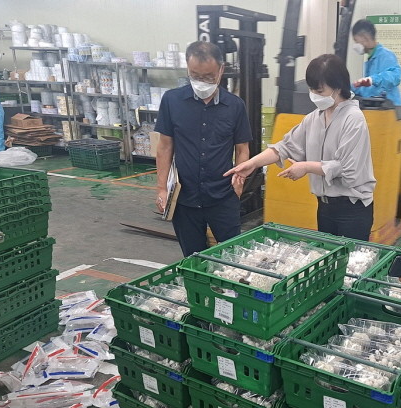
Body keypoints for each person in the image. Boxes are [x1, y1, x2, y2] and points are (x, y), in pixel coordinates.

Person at [225, 54, 376, 241]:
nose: (314, 95)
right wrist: (252, 164)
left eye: (319, 91)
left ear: (338, 88)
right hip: (325, 207)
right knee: (329, 256)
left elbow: (348, 169)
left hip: (352, 210)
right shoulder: (314, 118)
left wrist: (305, 167)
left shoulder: (353, 119)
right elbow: (285, 147)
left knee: (352, 259)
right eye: (311, 89)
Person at [155, 41, 252, 256]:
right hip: (184, 199)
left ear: (221, 70)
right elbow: (164, 147)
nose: (201, 82)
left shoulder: (235, 106)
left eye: (208, 77)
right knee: (193, 257)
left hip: (223, 197)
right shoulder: (172, 101)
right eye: (195, 75)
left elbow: (242, 148)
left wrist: (239, 184)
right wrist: (162, 188)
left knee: (233, 256)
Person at [350, 19, 401, 106]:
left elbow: (394, 76)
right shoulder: (371, 60)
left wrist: (372, 80)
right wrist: (351, 88)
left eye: (356, 41)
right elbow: (368, 91)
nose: (355, 45)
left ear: (365, 38)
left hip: (389, 110)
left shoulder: (385, 56)